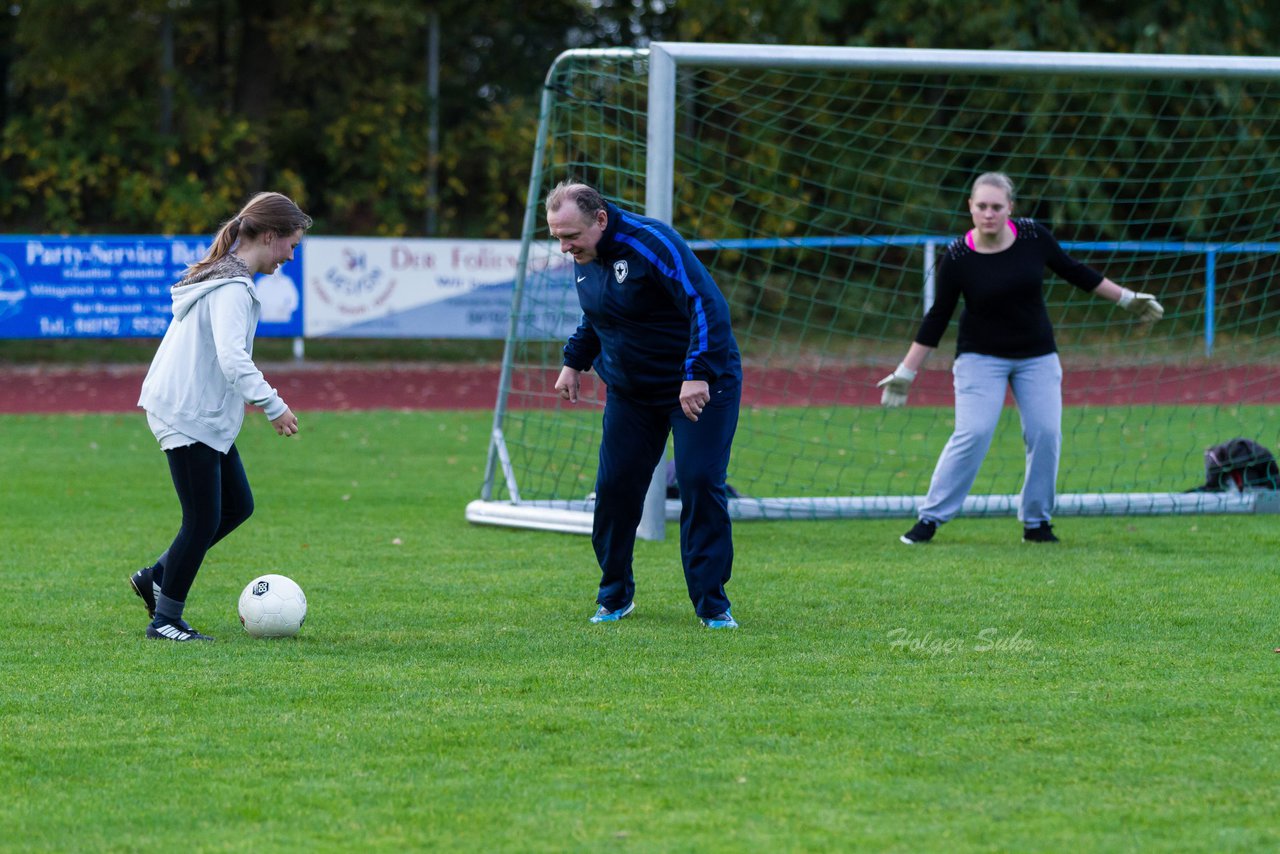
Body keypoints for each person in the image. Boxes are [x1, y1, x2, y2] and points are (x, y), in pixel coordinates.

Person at [879, 172, 1164, 545]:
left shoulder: (1032, 236)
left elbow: (1073, 270)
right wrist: (905, 372)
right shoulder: (958, 256)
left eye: (997, 206)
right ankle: (930, 519)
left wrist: (1126, 298)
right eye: (981, 206)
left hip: (1036, 357)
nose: (989, 213)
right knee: (974, 432)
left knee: (1046, 433)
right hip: (980, 358)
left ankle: (1036, 523)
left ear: (1010, 208)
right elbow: (937, 317)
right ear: (970, 207)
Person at [547, 181, 743, 629]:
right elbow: (599, 315)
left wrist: (695, 372)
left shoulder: (652, 243)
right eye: (556, 237)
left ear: (600, 220)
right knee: (614, 488)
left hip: (699, 385)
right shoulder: (585, 257)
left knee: (699, 481)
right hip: (632, 392)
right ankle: (614, 596)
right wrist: (573, 363)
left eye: (570, 236)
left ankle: (712, 605)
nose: (563, 247)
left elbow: (706, 306)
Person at [129, 191, 312, 641]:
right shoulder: (232, 287)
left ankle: (156, 577)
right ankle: (165, 620)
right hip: (186, 412)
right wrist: (275, 404)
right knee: (203, 518)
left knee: (236, 506)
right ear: (269, 236)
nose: (291, 255)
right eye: (291, 244)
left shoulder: (229, 279)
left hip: (200, 414)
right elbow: (233, 360)